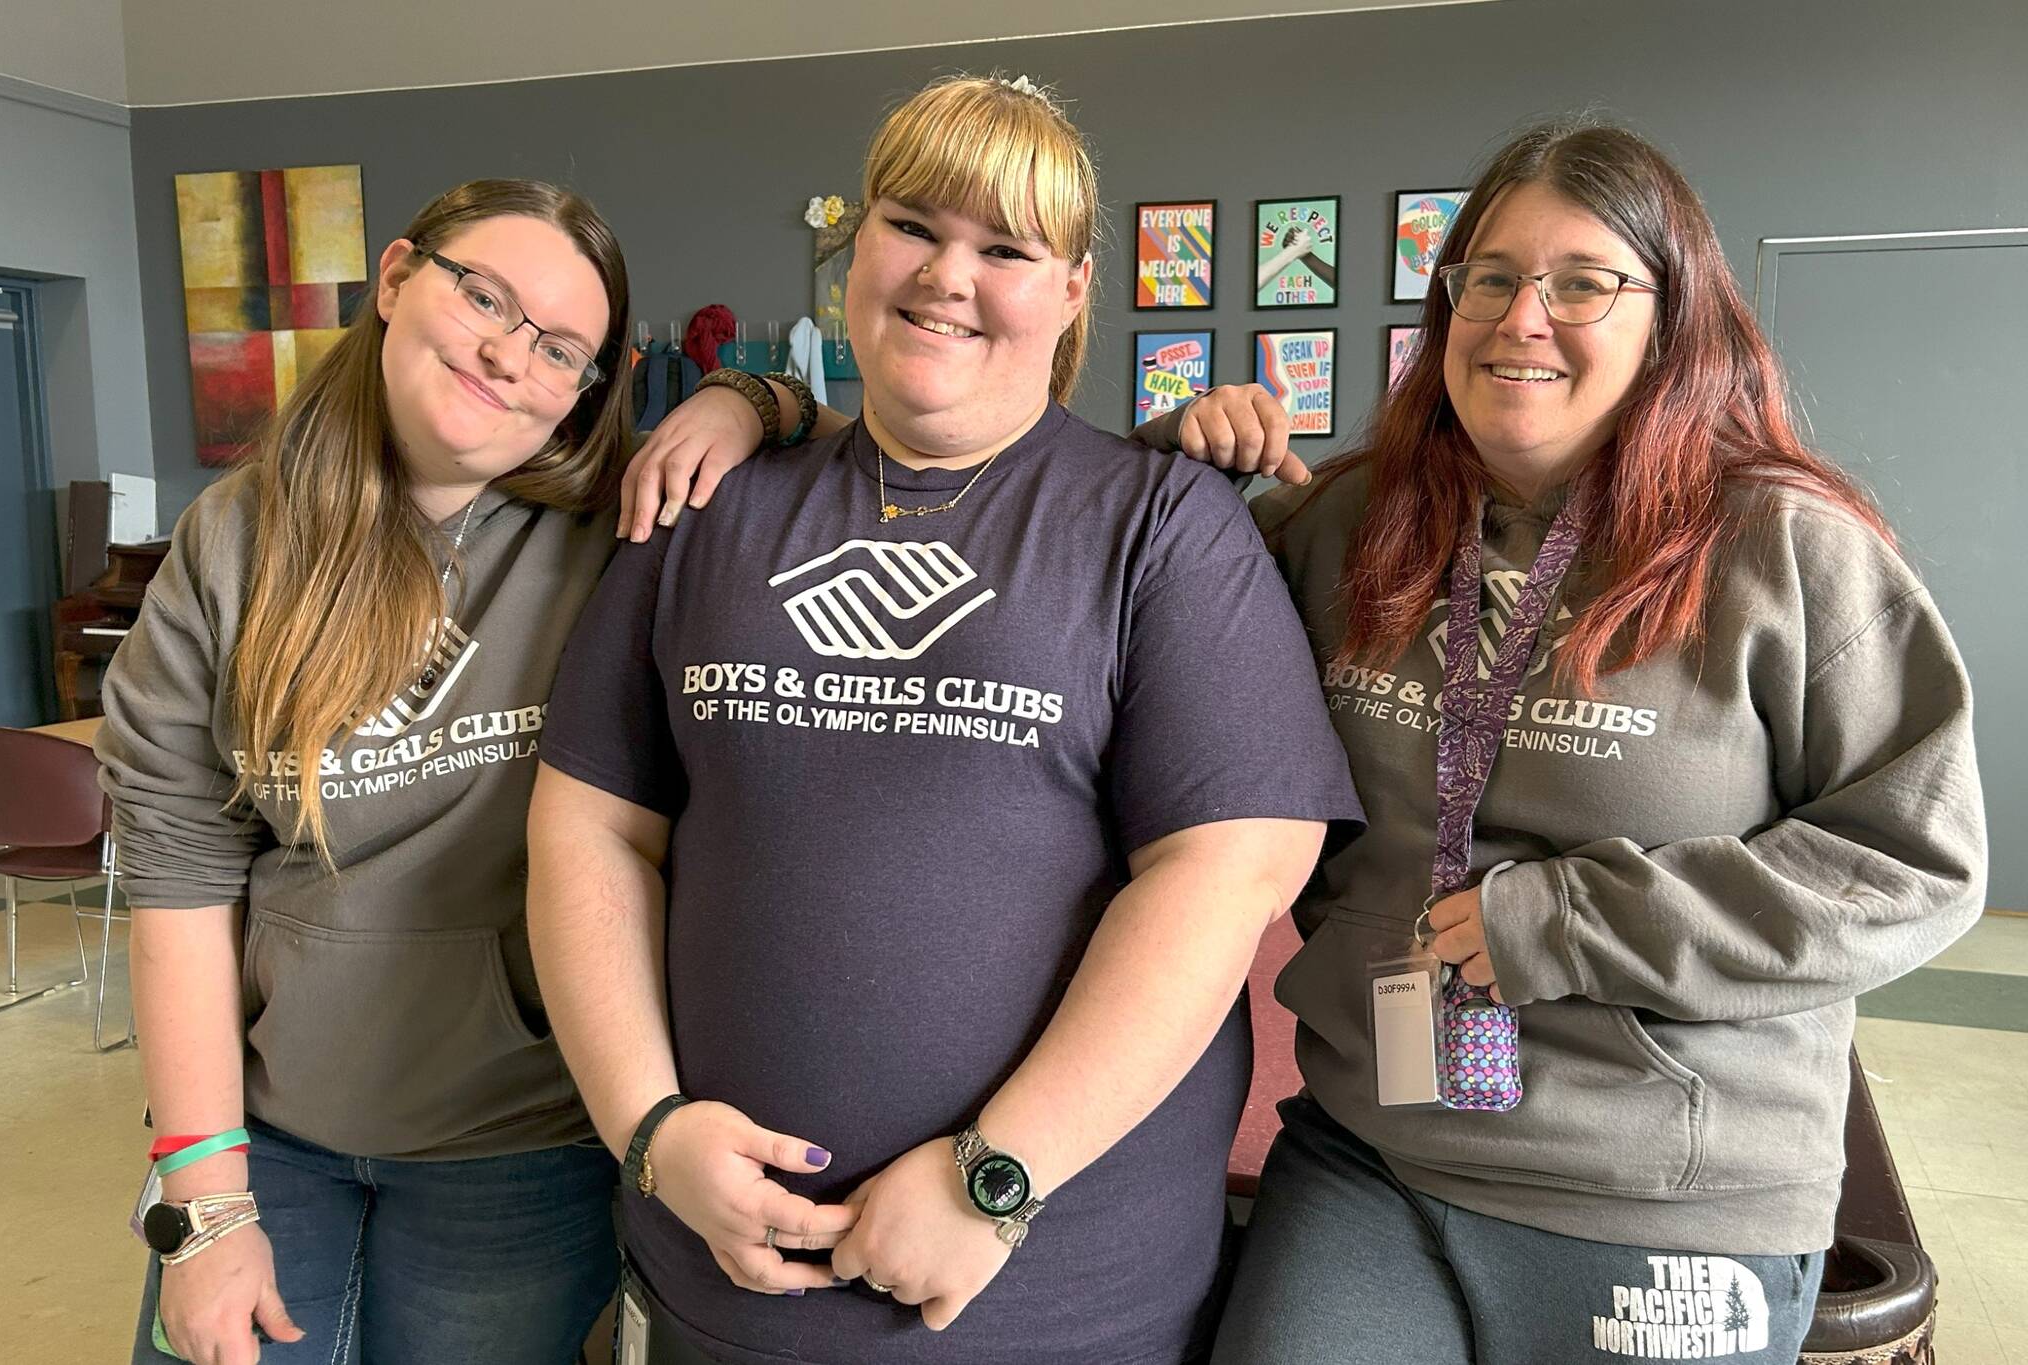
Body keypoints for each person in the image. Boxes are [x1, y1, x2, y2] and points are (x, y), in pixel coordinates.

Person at [526, 73, 1363, 1365]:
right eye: (913, 224)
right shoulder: (703, 504)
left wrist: (994, 1177)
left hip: (1059, 1306)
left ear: (1075, 289)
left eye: (1006, 248)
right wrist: (650, 1132)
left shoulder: (1163, 526)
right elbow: (590, 832)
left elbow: (1231, 869)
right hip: (717, 1290)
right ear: (854, 245)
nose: (946, 275)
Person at [1178, 122, 1986, 1363]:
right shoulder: (1343, 525)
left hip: (1665, 1190)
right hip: (1369, 1149)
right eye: (1488, 278)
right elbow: (1116, 605)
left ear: (1672, 317)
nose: (1521, 317)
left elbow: (1910, 868)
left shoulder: (1787, 550)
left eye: (1581, 282)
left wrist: (1560, 920)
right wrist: (1179, 466)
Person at [100, 178, 637, 1365]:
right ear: (395, 278)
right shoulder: (233, 544)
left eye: (559, 348)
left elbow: (855, 464)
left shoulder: (625, 538)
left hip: (522, 1146)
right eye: (483, 296)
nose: (507, 354)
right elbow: (179, 878)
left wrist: (752, 402)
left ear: (582, 396)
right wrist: (203, 1205)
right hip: (266, 1133)